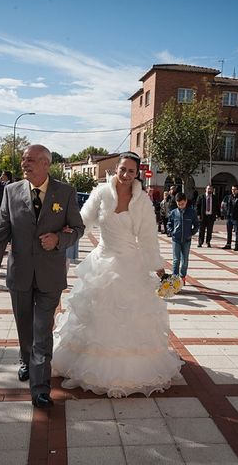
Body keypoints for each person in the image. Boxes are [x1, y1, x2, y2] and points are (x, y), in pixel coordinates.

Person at [52, 151, 183, 399]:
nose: (125, 175)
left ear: (137, 174)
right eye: (122, 169)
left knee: (130, 319)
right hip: (101, 263)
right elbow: (83, 220)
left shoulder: (142, 201)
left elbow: (147, 238)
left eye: (131, 171)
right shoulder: (101, 192)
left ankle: (131, 371)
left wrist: (158, 268)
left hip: (130, 266)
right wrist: (63, 231)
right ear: (117, 169)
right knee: (96, 317)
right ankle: (87, 366)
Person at [0, 144, 84, 409]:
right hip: (20, 273)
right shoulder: (11, 191)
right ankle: (26, 360)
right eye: (24, 160)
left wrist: (60, 239)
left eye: (30, 160)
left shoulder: (65, 192)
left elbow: (78, 228)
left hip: (50, 275)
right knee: (24, 326)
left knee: (42, 331)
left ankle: (40, 389)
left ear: (45, 163)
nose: (24, 164)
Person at [167, 192, 199, 285]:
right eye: (178, 204)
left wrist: (191, 233)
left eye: (182, 204)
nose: (181, 206)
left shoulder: (191, 212)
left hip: (186, 240)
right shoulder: (173, 213)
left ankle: (182, 276)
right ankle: (175, 279)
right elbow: (169, 224)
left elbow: (196, 224)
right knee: (176, 260)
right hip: (176, 239)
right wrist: (172, 232)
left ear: (186, 201)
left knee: (184, 261)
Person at [220, 184, 238, 251]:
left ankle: (236, 246)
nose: (233, 191)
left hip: (236, 217)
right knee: (229, 231)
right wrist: (224, 213)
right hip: (229, 217)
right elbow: (224, 205)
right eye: (232, 189)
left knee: (237, 232)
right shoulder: (228, 197)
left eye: (234, 189)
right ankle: (228, 244)